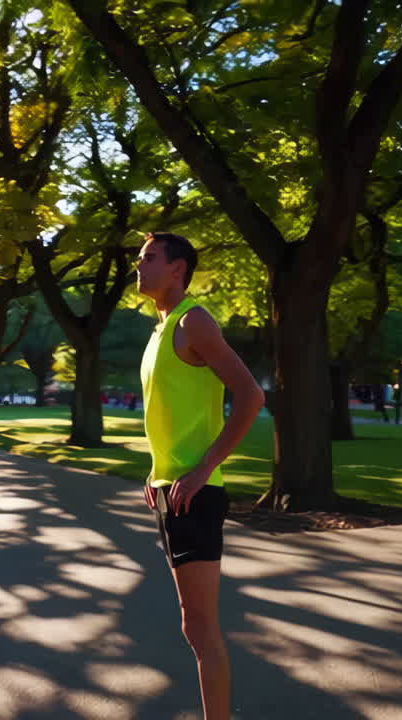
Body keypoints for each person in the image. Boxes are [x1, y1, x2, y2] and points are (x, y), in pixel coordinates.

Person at [136, 232, 265, 719]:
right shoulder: (162, 327)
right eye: (139, 258)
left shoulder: (194, 321)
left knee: (202, 630)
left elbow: (251, 397)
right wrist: (157, 471)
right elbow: (170, 414)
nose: (139, 266)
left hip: (197, 494)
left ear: (177, 269)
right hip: (172, 492)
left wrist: (203, 467)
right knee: (194, 628)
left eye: (149, 258)